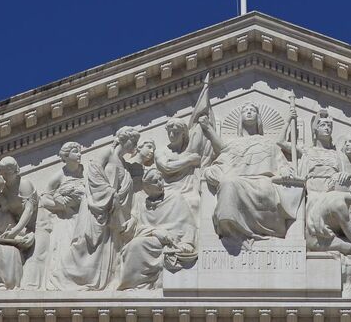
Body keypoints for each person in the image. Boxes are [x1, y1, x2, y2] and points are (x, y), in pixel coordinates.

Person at [48, 126, 138, 290]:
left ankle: (99, 283)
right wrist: (110, 193)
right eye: (134, 141)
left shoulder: (124, 164)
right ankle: (63, 276)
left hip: (112, 214)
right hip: (96, 208)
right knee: (86, 243)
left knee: (103, 250)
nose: (135, 145)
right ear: (125, 139)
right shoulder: (107, 153)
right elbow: (93, 172)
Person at [199, 102, 300, 241]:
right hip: (236, 182)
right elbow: (222, 160)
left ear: (258, 117)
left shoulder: (269, 143)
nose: (248, 112)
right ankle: (230, 230)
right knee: (228, 183)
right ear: (240, 118)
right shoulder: (233, 144)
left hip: (263, 184)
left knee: (236, 184)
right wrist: (211, 170)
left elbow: (282, 163)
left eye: (252, 110)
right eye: (245, 110)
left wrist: (285, 170)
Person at [118, 169, 197, 290]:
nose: (160, 183)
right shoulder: (142, 204)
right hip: (152, 240)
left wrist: (187, 242)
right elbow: (139, 229)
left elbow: (187, 224)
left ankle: (135, 285)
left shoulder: (175, 198)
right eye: (155, 182)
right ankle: (135, 285)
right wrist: (154, 232)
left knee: (136, 245)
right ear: (147, 188)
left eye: (160, 179)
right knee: (134, 245)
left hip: (173, 241)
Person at [23, 142, 86, 290]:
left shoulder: (83, 172)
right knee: (64, 249)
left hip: (82, 217)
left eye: (79, 151)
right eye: (75, 151)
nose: (79, 154)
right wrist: (61, 204)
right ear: (66, 155)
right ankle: (60, 281)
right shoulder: (59, 176)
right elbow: (43, 200)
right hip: (65, 219)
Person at [305, 180, 351, 291]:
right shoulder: (340, 205)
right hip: (318, 241)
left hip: (316, 237)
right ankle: (349, 279)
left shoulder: (333, 194)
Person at [154, 119, 205, 213]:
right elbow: (166, 167)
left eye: (176, 132)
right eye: (169, 132)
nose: (171, 136)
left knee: (196, 203)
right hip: (169, 188)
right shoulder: (161, 151)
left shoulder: (190, 149)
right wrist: (189, 160)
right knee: (178, 200)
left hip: (190, 187)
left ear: (183, 133)